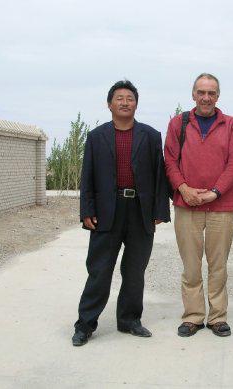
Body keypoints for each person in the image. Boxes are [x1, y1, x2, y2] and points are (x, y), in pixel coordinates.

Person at [72, 80, 170, 346]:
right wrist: (86, 211)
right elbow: (87, 176)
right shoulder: (96, 136)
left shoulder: (150, 135)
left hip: (140, 210)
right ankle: (85, 324)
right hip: (107, 211)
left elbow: (159, 174)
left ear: (136, 104)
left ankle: (129, 320)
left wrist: (160, 209)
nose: (125, 102)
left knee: (135, 269)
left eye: (130, 98)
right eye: (119, 98)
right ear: (109, 104)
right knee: (99, 270)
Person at [164, 73, 233, 337]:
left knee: (218, 265)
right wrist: (183, 189)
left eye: (211, 93)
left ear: (218, 96)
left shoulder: (231, 125)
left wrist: (215, 192)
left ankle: (218, 317)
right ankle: (193, 316)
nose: (206, 97)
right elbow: (170, 160)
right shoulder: (179, 123)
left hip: (221, 207)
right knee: (191, 265)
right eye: (201, 92)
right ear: (193, 95)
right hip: (187, 205)